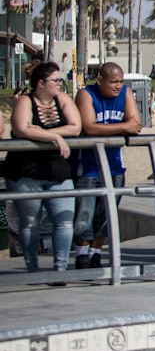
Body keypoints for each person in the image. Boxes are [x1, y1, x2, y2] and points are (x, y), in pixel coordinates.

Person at [5, 62, 82, 277]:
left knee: (65, 220)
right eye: (55, 80)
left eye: (60, 80)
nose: (59, 84)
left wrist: (42, 132)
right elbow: (21, 128)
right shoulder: (25, 101)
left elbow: (75, 127)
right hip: (25, 172)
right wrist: (56, 136)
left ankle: (60, 269)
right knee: (30, 222)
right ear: (41, 83)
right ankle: (32, 268)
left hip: (57, 170)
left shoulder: (63, 100)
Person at [73, 62, 141, 269]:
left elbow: (135, 124)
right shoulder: (86, 94)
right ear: (100, 80)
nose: (117, 86)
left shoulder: (126, 94)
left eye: (120, 82)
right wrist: (122, 127)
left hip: (114, 167)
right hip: (89, 167)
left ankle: (95, 253)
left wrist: (114, 128)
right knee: (84, 214)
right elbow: (89, 127)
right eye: (113, 82)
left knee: (106, 215)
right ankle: (82, 253)